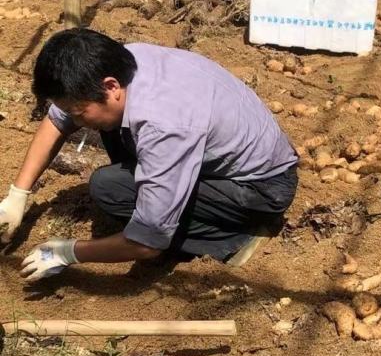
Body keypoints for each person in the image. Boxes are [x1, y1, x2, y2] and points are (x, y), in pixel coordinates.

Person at [0, 29, 298, 283]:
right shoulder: (121, 63)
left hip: (259, 187)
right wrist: (17, 195)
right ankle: (166, 199)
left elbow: (147, 242)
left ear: (110, 86)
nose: (75, 122)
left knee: (110, 188)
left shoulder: (164, 125)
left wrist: (68, 251)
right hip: (233, 155)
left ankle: (232, 237)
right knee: (109, 126)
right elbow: (57, 120)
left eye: (79, 112)